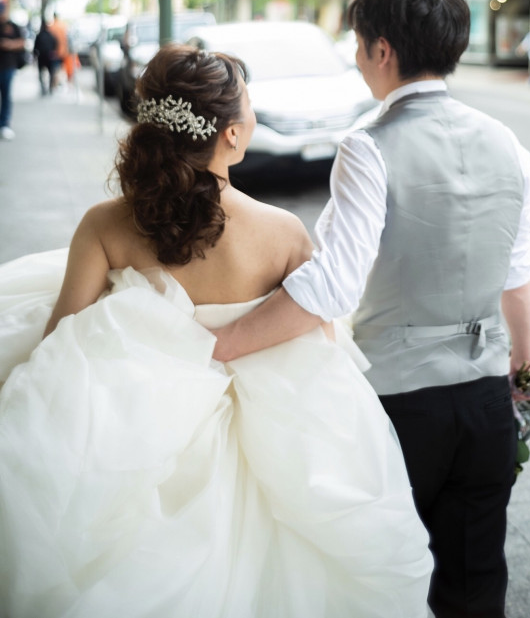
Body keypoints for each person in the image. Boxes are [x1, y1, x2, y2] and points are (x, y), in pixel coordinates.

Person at [0, 44, 433, 617]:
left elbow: (63, 335)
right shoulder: (281, 232)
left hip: (134, 422)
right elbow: (320, 345)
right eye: (248, 106)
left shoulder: (105, 224)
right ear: (230, 134)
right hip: (271, 432)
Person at [211, 0, 530, 618]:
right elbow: (519, 273)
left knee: (393, 578)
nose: (357, 60)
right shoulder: (510, 146)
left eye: (359, 45)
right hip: (484, 404)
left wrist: (220, 342)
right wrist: (525, 366)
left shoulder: (369, 148)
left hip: (401, 405)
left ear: (383, 51)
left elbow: (331, 284)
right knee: (477, 583)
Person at [0, 0, 25, 140]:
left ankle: (4, 124)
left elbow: (22, 42)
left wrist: (10, 44)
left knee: (6, 96)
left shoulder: (13, 26)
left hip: (8, 66)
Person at [33, 19, 58, 95]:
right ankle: (50, 88)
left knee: (41, 73)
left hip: (41, 56)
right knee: (51, 72)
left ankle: (44, 88)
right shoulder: (51, 35)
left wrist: (35, 56)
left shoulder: (39, 35)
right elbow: (55, 45)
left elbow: (35, 47)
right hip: (49, 56)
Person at [48, 11, 69, 89]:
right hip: (63, 51)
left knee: (54, 68)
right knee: (60, 67)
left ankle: (55, 84)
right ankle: (58, 83)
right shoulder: (63, 25)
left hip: (55, 51)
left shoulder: (52, 26)